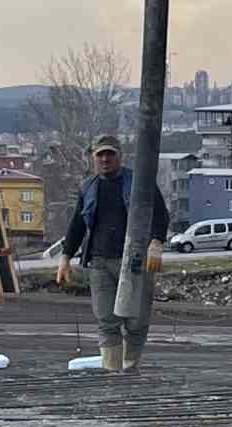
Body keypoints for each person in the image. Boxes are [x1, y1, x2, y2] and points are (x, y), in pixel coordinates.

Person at [56, 134, 170, 372]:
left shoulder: (139, 182)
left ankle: (130, 368)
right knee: (106, 320)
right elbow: (77, 224)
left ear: (120, 156)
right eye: (101, 155)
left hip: (135, 261)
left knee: (136, 321)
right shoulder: (89, 187)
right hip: (99, 261)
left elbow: (160, 213)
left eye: (110, 154)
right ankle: (113, 373)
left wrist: (157, 242)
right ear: (94, 158)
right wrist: (66, 257)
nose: (105, 159)